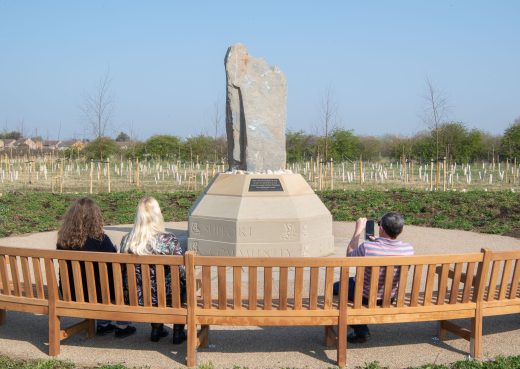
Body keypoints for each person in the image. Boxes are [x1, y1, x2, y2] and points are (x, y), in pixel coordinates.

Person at [56, 197, 136, 338]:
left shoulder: (63, 240)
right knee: (120, 279)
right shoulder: (101, 240)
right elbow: (114, 268)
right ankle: (122, 325)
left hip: (71, 292)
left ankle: (103, 324)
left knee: (98, 282)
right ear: (95, 217)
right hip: (97, 294)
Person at [333, 212, 414, 343]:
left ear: (381, 229)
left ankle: (360, 329)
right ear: (401, 229)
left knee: (336, 287)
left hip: (364, 297)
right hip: (389, 298)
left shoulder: (368, 247)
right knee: (347, 285)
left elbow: (349, 257)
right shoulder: (408, 249)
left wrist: (358, 231)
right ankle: (358, 326)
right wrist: (379, 241)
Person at [120, 197, 187, 344]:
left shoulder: (127, 240)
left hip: (137, 297)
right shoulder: (169, 240)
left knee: (151, 286)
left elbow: (122, 271)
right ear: (157, 215)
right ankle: (178, 331)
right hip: (168, 298)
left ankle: (156, 328)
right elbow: (182, 273)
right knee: (182, 283)